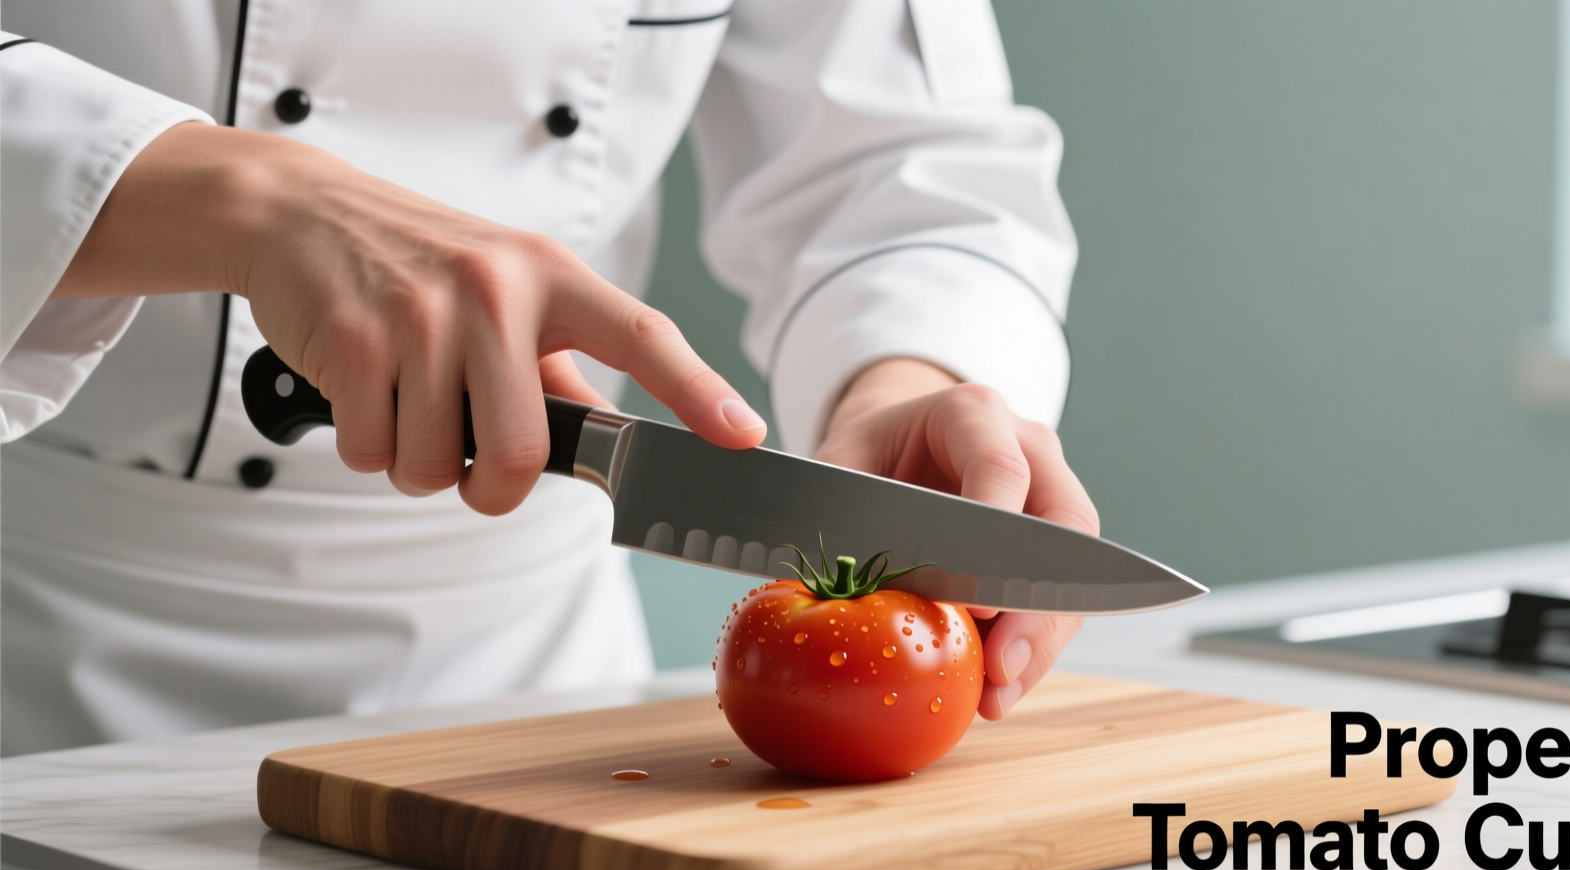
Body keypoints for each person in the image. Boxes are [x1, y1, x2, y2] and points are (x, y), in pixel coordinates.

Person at [0, 0, 1097, 756]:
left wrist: (898, 375)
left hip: (535, 686)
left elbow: (896, 155)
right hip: (43, 656)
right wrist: (235, 194)